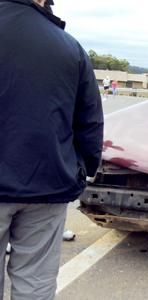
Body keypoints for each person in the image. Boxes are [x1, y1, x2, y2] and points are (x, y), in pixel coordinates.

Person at [0, 1, 104, 299]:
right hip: (48, 185)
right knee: (36, 282)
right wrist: (81, 171)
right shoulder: (69, 47)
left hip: (44, 183)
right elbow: (90, 122)